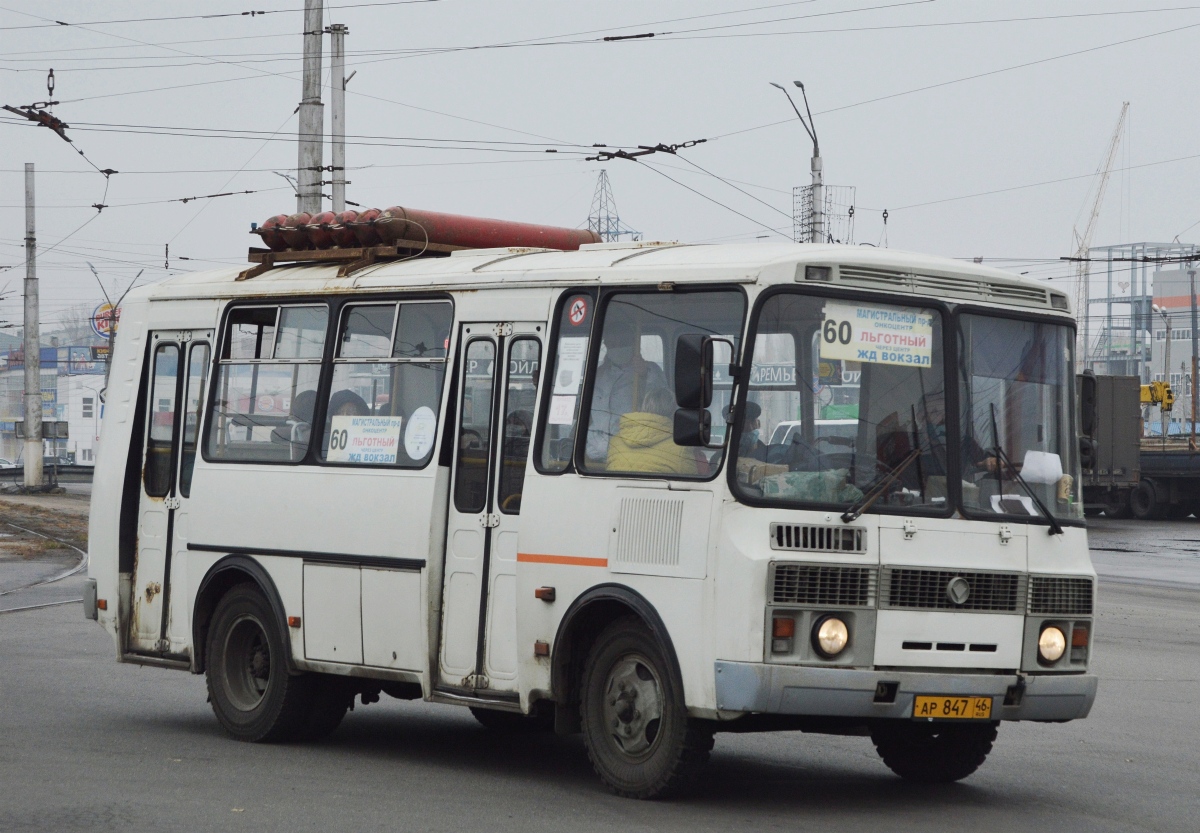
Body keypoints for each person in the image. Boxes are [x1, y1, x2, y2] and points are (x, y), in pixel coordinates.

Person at [586, 318, 667, 465]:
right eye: (612, 345)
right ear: (606, 346)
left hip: (630, 453)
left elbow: (661, 403)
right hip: (592, 455)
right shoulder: (598, 374)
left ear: (633, 344)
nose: (617, 348)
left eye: (622, 343)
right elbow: (585, 411)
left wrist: (644, 374)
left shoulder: (648, 370)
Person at [606, 387, 698, 475]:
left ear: (643, 406)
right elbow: (693, 486)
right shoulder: (681, 448)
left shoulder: (615, 442)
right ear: (673, 413)